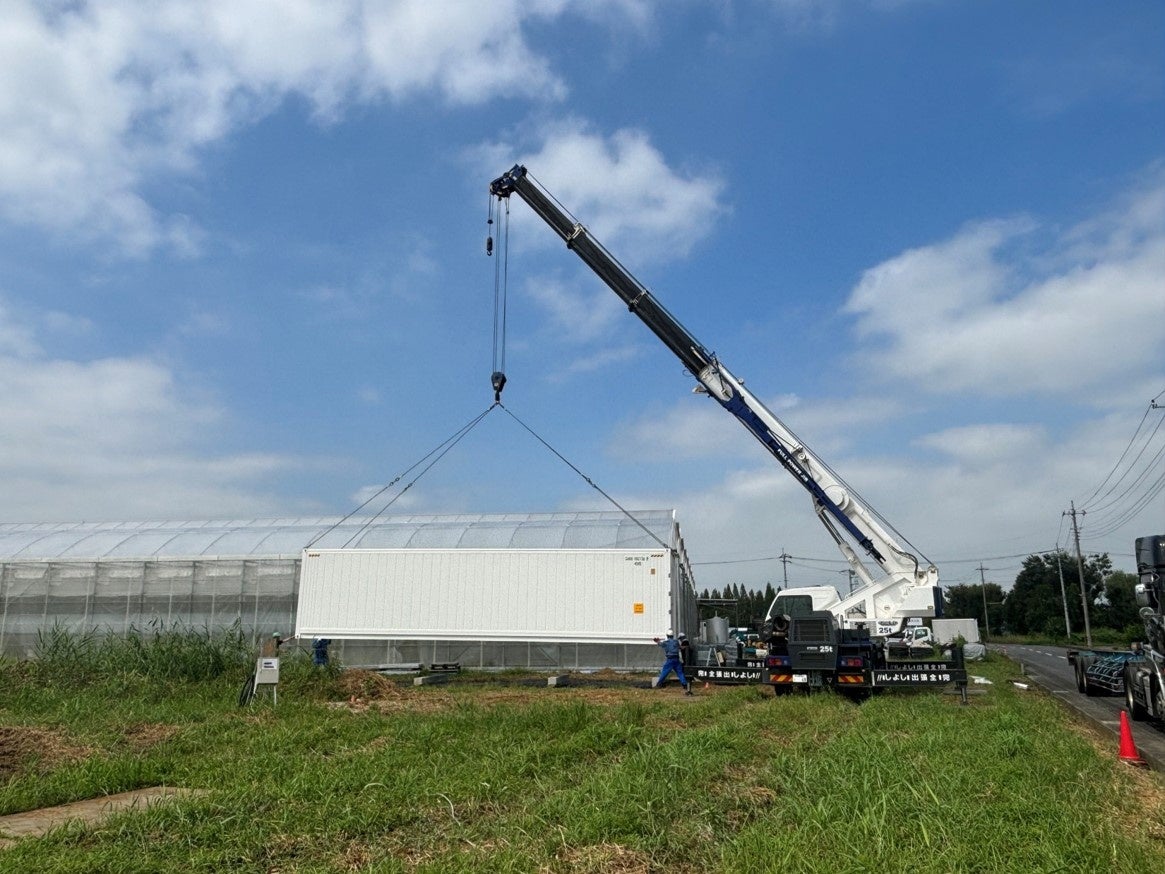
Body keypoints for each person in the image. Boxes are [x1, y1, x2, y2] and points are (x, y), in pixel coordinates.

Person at [653, 630, 692, 694]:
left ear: (667, 636)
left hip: (670, 660)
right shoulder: (676, 642)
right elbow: (681, 647)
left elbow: (660, 644)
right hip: (676, 659)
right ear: (673, 636)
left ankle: (659, 684)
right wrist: (686, 647)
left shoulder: (666, 643)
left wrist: (657, 641)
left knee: (664, 672)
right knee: (680, 673)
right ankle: (685, 685)